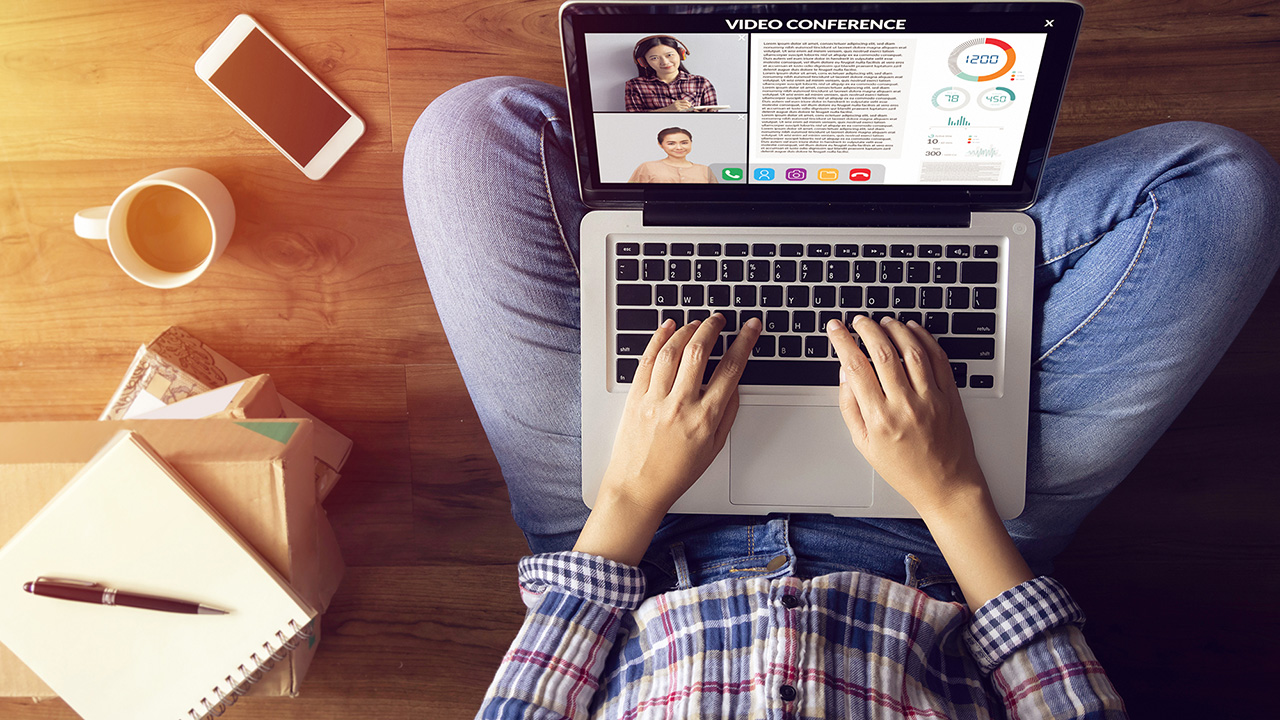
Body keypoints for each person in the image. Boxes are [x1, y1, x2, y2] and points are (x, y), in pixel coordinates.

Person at [404, 77, 1280, 719]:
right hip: (942, 542)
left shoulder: (630, 505)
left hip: (635, 536)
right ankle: (909, 196)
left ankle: (832, 206)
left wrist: (634, 489)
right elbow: (1057, 684)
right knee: (1220, 188)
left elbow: (539, 691)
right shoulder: (950, 507)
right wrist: (950, 491)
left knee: (471, 134)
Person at [625, 35, 718, 112]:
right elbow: (633, 119)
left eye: (669, 55)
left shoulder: (701, 82)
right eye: (654, 58)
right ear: (643, 62)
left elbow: (715, 120)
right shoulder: (634, 85)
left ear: (681, 54)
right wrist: (667, 110)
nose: (665, 62)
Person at [627, 127, 718, 184]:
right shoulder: (647, 167)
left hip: (698, 213)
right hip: (657, 213)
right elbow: (630, 194)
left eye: (684, 143)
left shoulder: (705, 170)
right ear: (660, 144)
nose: (679, 147)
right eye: (671, 143)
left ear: (691, 143)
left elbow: (716, 197)